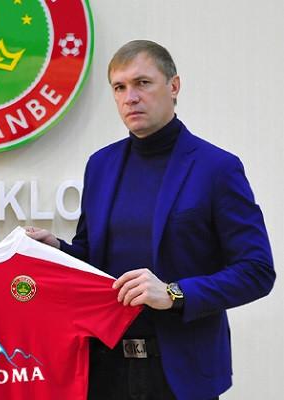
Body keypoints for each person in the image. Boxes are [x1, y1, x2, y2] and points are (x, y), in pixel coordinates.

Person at [26, 40, 275, 400]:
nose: (130, 97)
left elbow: (256, 271)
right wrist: (57, 249)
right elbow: (94, 259)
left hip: (182, 375)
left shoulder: (217, 168)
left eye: (142, 83)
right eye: (119, 87)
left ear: (174, 86)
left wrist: (174, 293)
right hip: (105, 369)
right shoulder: (101, 165)